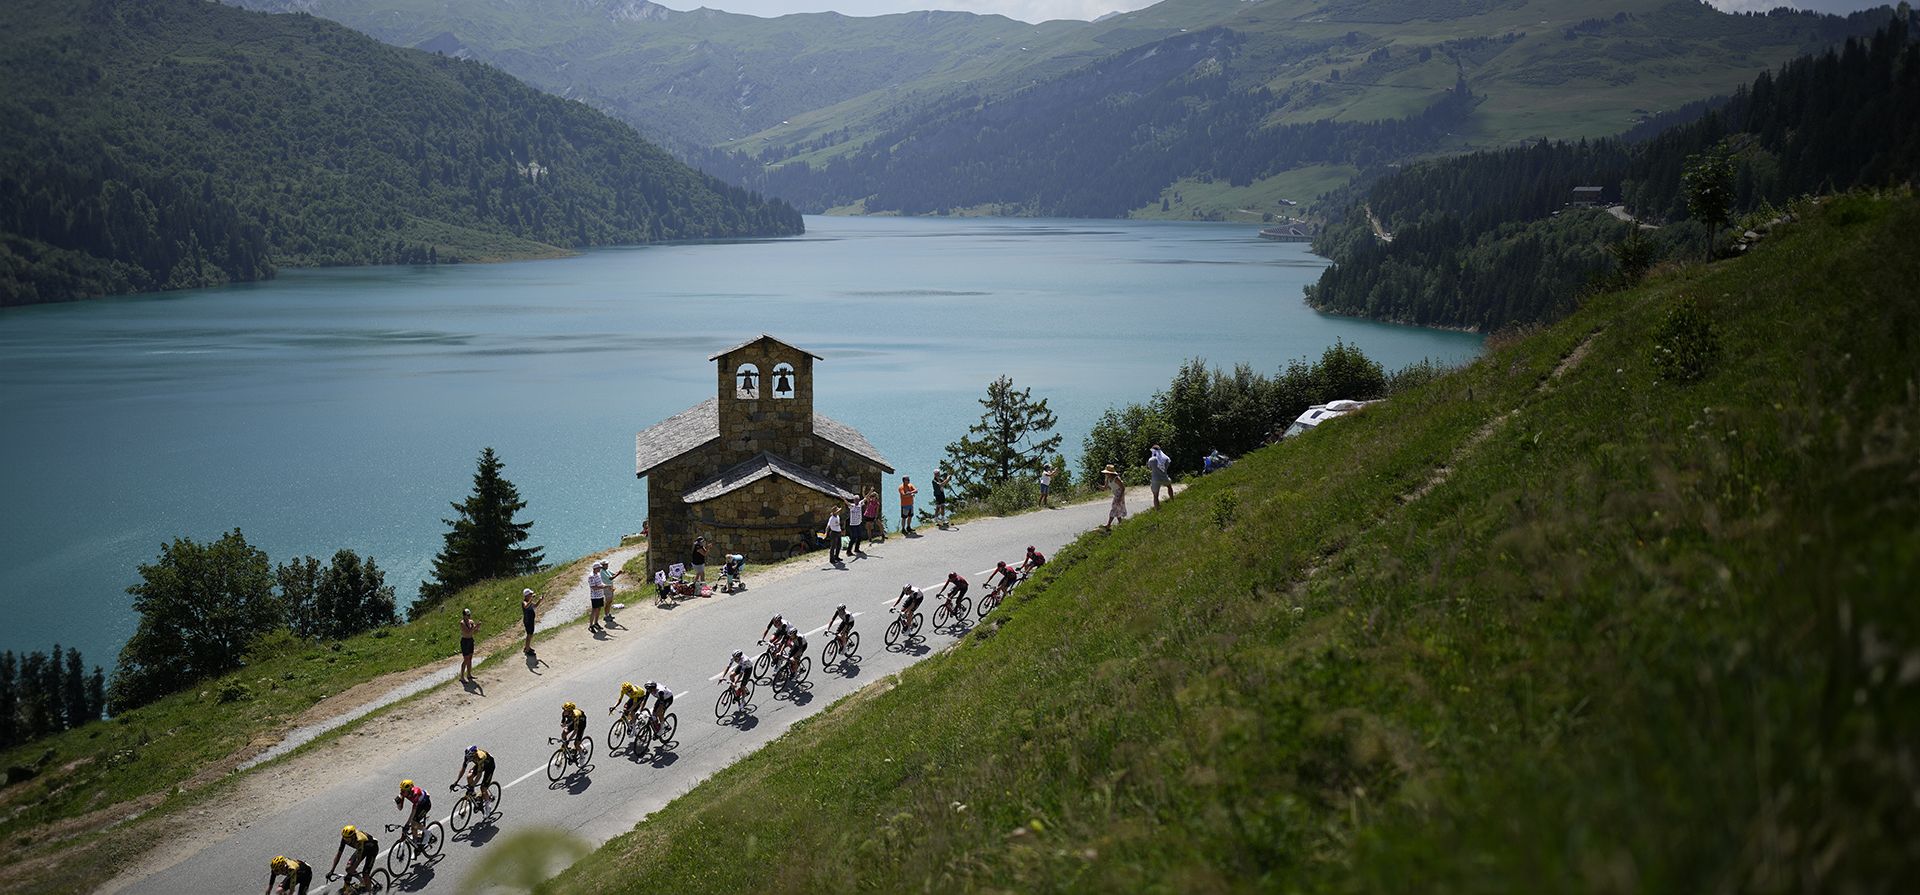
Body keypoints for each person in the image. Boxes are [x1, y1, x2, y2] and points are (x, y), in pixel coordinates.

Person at [330, 825, 378, 891]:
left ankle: (369, 890)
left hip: (372, 849)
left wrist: (350, 874)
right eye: (344, 838)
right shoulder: (345, 838)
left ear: (353, 836)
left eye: (348, 839)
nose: (346, 840)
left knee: (365, 874)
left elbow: (358, 860)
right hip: (361, 849)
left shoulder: (359, 840)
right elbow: (338, 855)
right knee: (348, 868)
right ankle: (362, 882)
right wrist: (332, 870)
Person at [452, 744, 496, 810]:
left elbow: (479, 775)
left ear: (474, 754)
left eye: (471, 757)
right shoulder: (468, 756)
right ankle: (474, 795)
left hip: (489, 766)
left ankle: (488, 806)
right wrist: (456, 782)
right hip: (479, 764)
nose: (469, 759)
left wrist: (472, 785)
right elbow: (463, 769)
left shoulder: (480, 757)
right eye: (468, 757)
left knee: (483, 788)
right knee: (469, 776)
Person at [457, 608, 479, 683]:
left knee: (470, 658)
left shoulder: (471, 622)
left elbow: (474, 632)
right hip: (465, 641)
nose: (469, 616)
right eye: (467, 615)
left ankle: (469, 674)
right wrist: (475, 627)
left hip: (470, 640)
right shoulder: (462, 623)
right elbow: (468, 631)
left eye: (469, 615)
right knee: (466, 659)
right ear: (464, 616)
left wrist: (477, 628)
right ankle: (462, 676)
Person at [1103, 464, 1128, 530]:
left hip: (1119, 494)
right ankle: (1121, 523)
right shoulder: (1108, 479)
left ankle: (1108, 525)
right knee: (1117, 509)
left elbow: (1123, 488)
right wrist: (1098, 486)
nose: (1106, 474)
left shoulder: (1116, 479)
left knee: (1114, 508)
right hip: (1116, 494)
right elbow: (1105, 487)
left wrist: (1120, 497)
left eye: (1107, 473)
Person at [521, 588, 541, 655]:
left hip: (531, 620)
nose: (532, 595)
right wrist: (531, 599)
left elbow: (535, 606)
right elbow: (526, 606)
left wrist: (540, 600)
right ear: (527, 595)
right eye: (530, 594)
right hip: (528, 621)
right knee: (529, 635)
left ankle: (527, 647)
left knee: (530, 634)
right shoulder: (524, 602)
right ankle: (527, 650)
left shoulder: (529, 602)